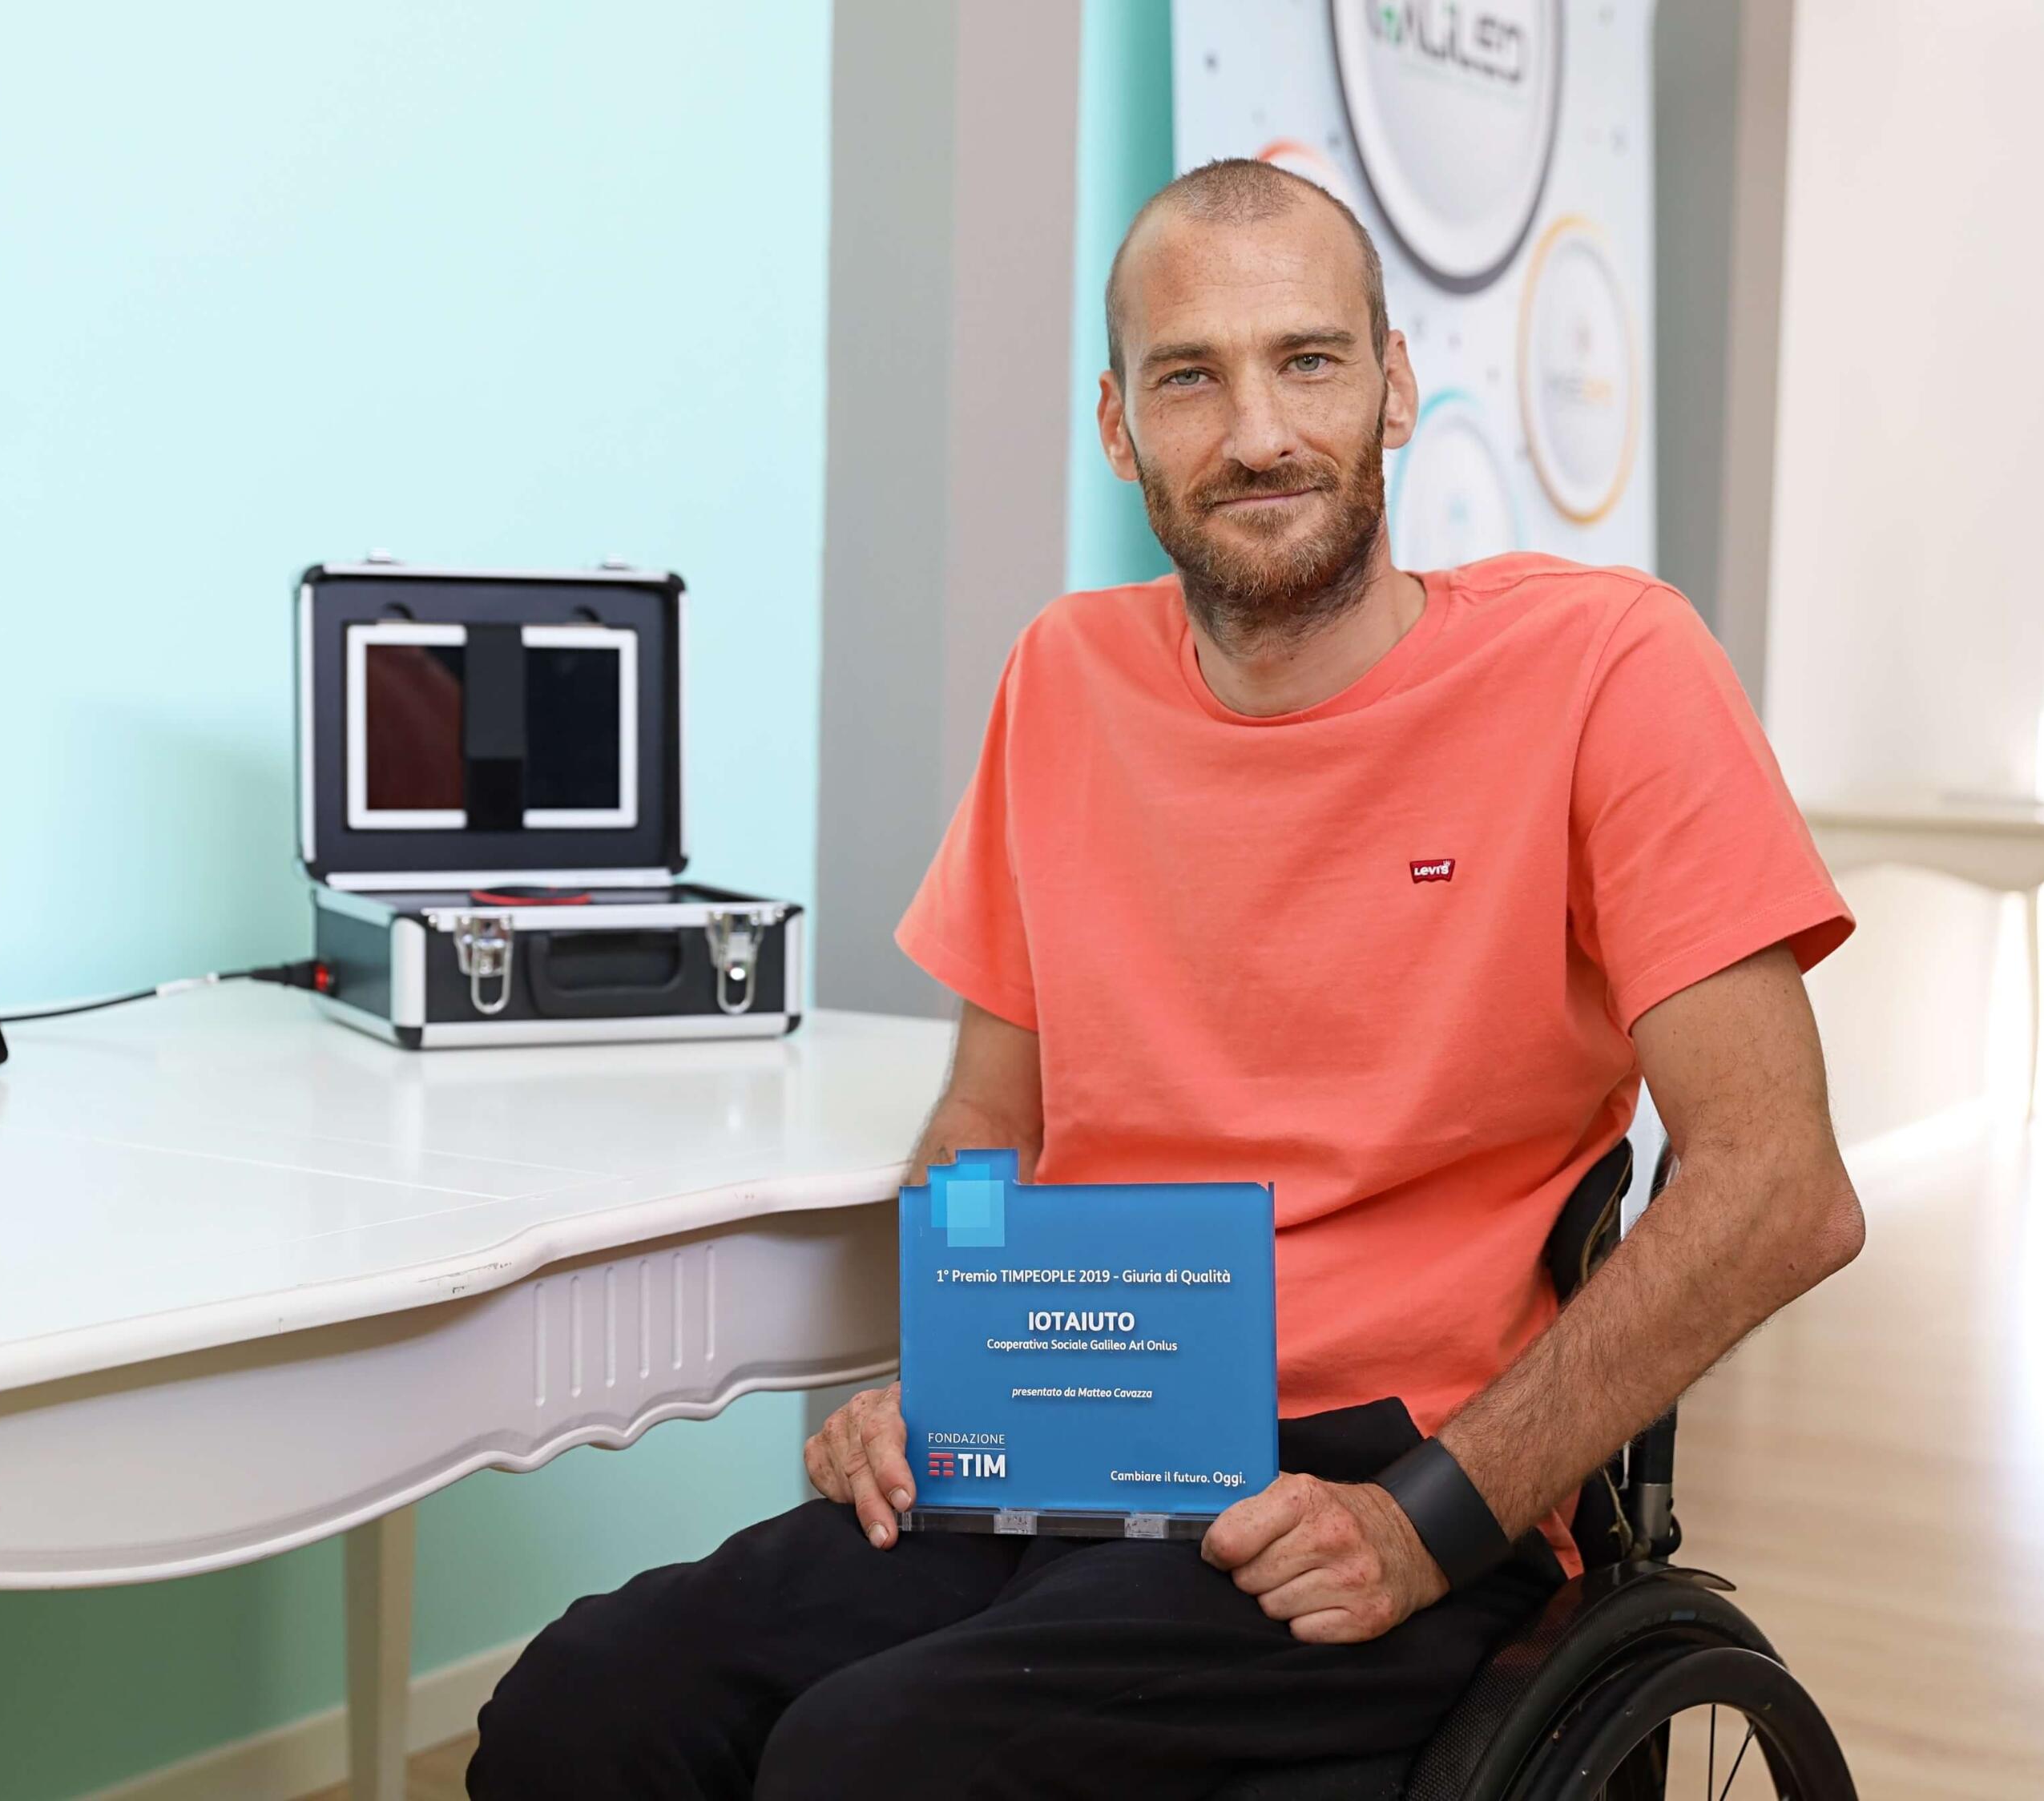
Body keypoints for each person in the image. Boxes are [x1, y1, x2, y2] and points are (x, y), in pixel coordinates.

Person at [468, 158, 1864, 1801]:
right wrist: (941, 1368)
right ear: (1119, 426)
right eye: (1190, 376)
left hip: (1389, 1467)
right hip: (1063, 1418)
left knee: (869, 1762)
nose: (1258, 432)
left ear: (1393, 385)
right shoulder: (1064, 677)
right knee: (583, 1706)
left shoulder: (1607, 666)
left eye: (1308, 360)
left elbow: (1778, 1186)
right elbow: (986, 1115)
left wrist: (1428, 1519)